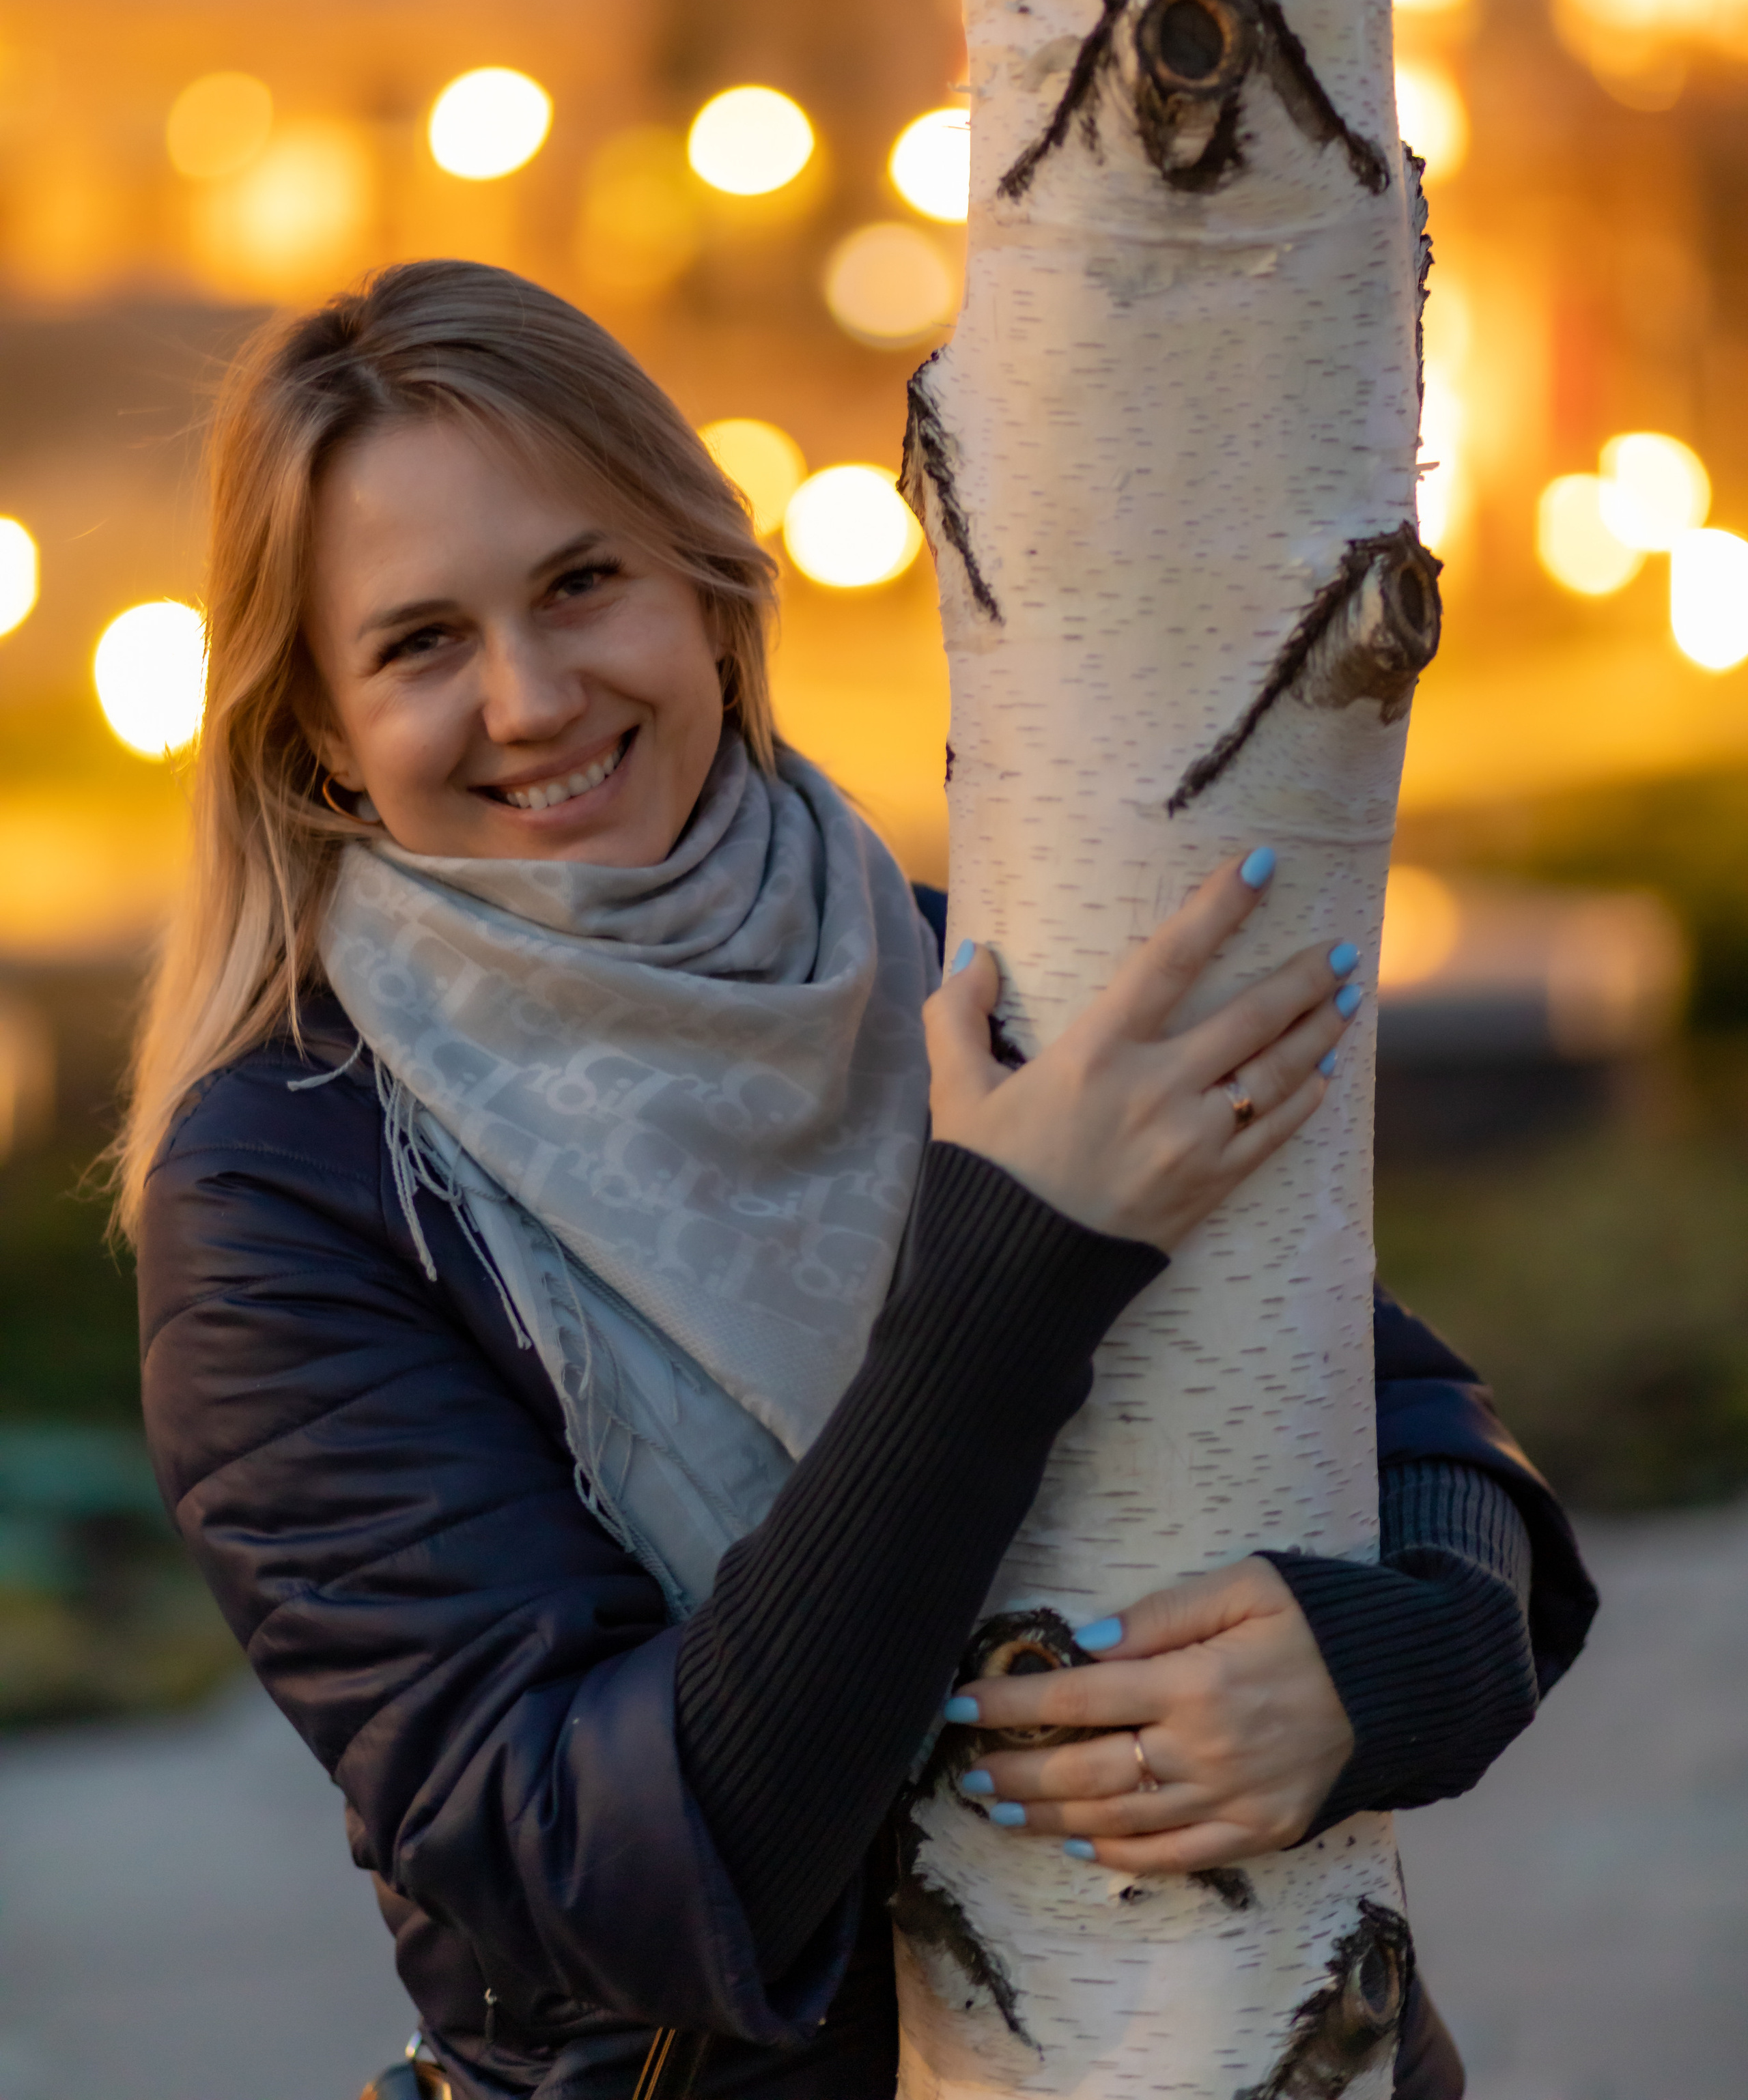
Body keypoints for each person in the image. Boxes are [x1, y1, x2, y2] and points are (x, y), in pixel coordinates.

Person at [122, 261, 1594, 2100]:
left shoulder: (952, 968)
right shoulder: (284, 1189)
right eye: (420, 643)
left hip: (1249, 2051)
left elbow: (1429, 1436)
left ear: (707, 590)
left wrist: (1400, 1667)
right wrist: (1010, 1268)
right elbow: (620, 1871)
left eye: (583, 583)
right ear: (321, 730)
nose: (531, 696)